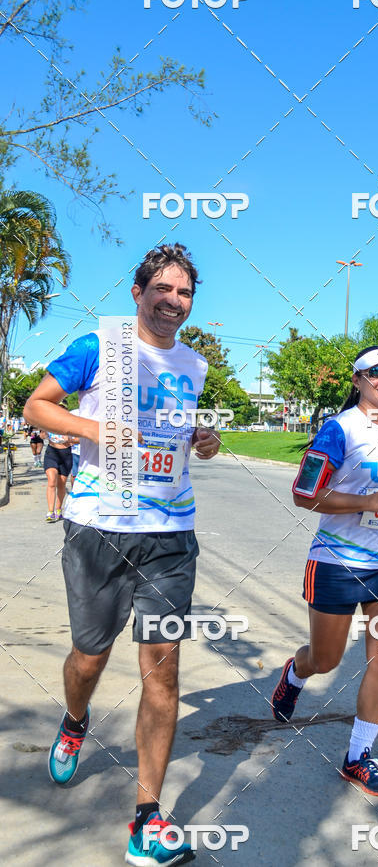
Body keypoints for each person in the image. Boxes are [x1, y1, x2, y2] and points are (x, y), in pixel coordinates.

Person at [24, 243, 220, 866]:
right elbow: (36, 406)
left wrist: (202, 441)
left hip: (170, 534)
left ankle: (147, 819)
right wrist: (98, 429)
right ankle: (76, 720)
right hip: (97, 528)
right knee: (90, 656)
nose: (173, 301)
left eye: (184, 293)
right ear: (138, 294)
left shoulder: (194, 364)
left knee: (162, 670)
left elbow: (176, 435)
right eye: (162, 289)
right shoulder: (97, 347)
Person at [271, 345, 378, 796]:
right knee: (327, 660)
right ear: (358, 379)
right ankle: (295, 674)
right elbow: (304, 495)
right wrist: (364, 502)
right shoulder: (338, 429)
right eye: (376, 371)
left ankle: (358, 756)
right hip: (337, 561)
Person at [40, 407, 74, 522]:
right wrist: (43, 430)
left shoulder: (69, 422)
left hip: (66, 454)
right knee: (51, 481)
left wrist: (69, 437)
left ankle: (58, 510)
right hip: (52, 453)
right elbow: (42, 436)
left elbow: (76, 439)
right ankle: (50, 512)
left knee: (61, 484)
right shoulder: (48, 421)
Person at [68, 407, 81, 490]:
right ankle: (74, 492)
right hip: (76, 451)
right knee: (74, 474)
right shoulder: (73, 413)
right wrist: (70, 440)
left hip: (92, 451)